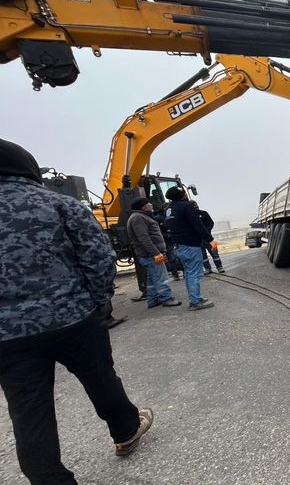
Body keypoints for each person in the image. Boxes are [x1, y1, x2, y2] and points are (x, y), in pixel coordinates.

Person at [0, 138, 153, 484]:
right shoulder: (57, 203)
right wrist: (100, 302)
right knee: (101, 379)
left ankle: (48, 478)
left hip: (6, 337)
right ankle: (126, 431)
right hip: (73, 319)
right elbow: (99, 257)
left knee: (27, 410)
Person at [164, 186, 215, 310]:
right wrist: (210, 239)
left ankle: (195, 297)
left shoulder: (168, 209)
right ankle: (195, 301)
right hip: (190, 245)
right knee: (194, 274)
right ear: (182, 195)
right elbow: (198, 224)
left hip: (179, 246)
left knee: (188, 273)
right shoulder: (186, 206)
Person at [126, 197, 182, 309]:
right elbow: (144, 238)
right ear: (143, 206)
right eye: (149, 203)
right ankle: (167, 298)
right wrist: (156, 253)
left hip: (148, 254)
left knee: (152, 278)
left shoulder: (140, 216)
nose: (151, 205)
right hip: (150, 254)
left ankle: (153, 300)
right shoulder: (138, 218)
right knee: (161, 277)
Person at [191, 200, 225, 274]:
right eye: (193, 205)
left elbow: (211, 223)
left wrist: (206, 231)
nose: (196, 206)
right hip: (198, 240)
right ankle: (207, 269)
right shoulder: (191, 216)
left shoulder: (203, 213)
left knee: (214, 253)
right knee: (203, 256)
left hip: (208, 238)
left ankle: (219, 267)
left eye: (196, 204)